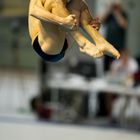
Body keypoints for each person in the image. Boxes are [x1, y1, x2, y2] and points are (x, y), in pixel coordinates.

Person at [28, 0, 120, 62]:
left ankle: (100, 41)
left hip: (65, 39)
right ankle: (83, 43)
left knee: (79, 2)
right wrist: (62, 21)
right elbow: (34, 11)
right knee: (53, 1)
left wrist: (92, 23)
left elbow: (81, 11)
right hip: (46, 45)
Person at [100, 0, 128, 71]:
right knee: (106, 69)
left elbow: (123, 24)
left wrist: (116, 12)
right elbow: (99, 20)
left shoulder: (123, 14)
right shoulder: (109, 15)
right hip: (108, 47)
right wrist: (108, 9)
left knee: (118, 69)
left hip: (119, 48)